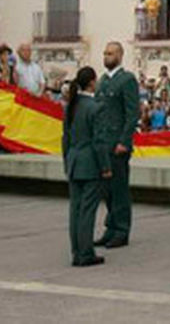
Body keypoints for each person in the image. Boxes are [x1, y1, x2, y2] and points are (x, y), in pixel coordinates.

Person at [63, 67, 110, 267]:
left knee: (75, 209)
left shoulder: (71, 106)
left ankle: (76, 251)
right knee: (88, 210)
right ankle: (85, 252)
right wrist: (105, 166)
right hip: (90, 163)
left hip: (74, 161)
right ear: (91, 82)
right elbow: (99, 141)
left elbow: (65, 138)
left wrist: (67, 161)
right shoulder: (95, 107)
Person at [95, 41, 140, 248]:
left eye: (111, 53)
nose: (107, 57)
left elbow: (132, 113)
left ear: (120, 56)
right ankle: (110, 228)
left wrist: (124, 141)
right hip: (103, 143)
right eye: (105, 53)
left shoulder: (127, 80)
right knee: (107, 190)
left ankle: (122, 230)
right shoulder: (102, 81)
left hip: (117, 144)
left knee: (119, 188)